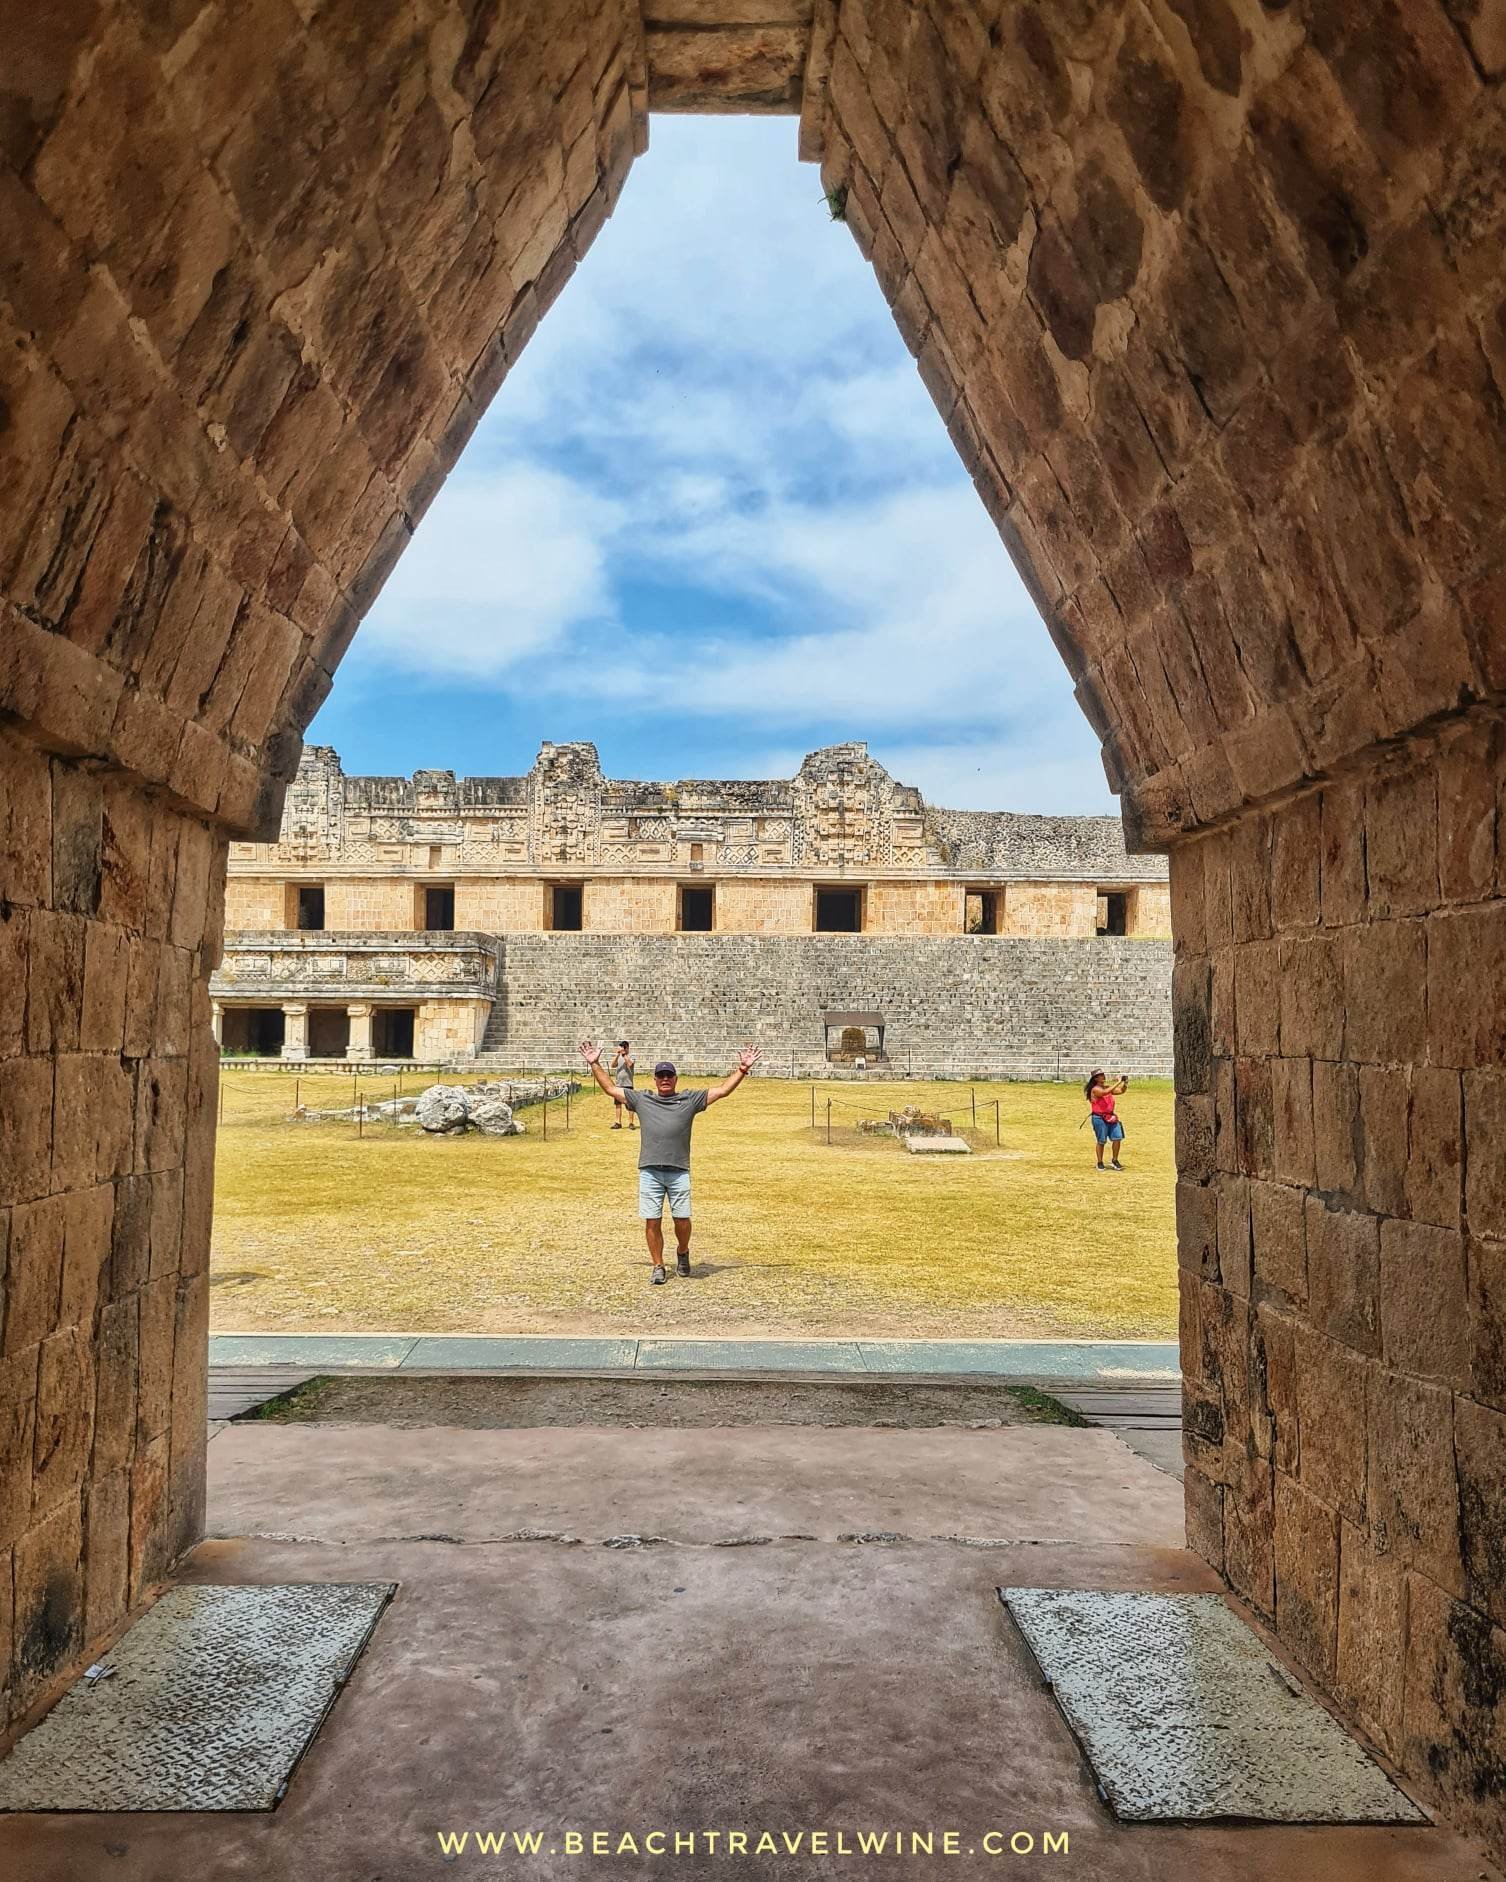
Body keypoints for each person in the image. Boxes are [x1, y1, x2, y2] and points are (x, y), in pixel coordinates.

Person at [580, 1041, 762, 1283]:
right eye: (660, 1076)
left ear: (675, 1079)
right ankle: (658, 1265)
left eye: (669, 1075)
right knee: (652, 1220)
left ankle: (682, 1251)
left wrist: (742, 1069)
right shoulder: (643, 1099)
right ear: (655, 1080)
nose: (665, 1079)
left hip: (678, 1170)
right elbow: (611, 1090)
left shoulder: (689, 1100)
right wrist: (594, 1064)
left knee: (682, 1220)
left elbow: (721, 1091)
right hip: (650, 1170)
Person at [1085, 1069, 1128, 1171]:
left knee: (1117, 1137)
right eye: (1100, 1075)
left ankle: (1115, 1160)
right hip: (1099, 1118)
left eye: (1103, 1074)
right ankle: (1100, 1162)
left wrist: (1125, 1084)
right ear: (1095, 1079)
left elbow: (1121, 1091)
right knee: (1101, 1140)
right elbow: (1105, 1092)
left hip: (1111, 1116)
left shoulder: (1107, 1087)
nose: (1103, 1076)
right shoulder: (1095, 1089)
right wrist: (1118, 1082)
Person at [608, 1040, 636, 1131]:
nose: (623, 1049)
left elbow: (630, 1064)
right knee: (618, 1104)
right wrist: (617, 1054)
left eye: (624, 1047)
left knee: (630, 1105)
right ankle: (618, 1122)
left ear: (627, 1048)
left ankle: (631, 1122)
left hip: (628, 1084)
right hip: (619, 1084)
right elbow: (612, 1065)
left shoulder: (631, 1056)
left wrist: (624, 1055)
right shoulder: (619, 1057)